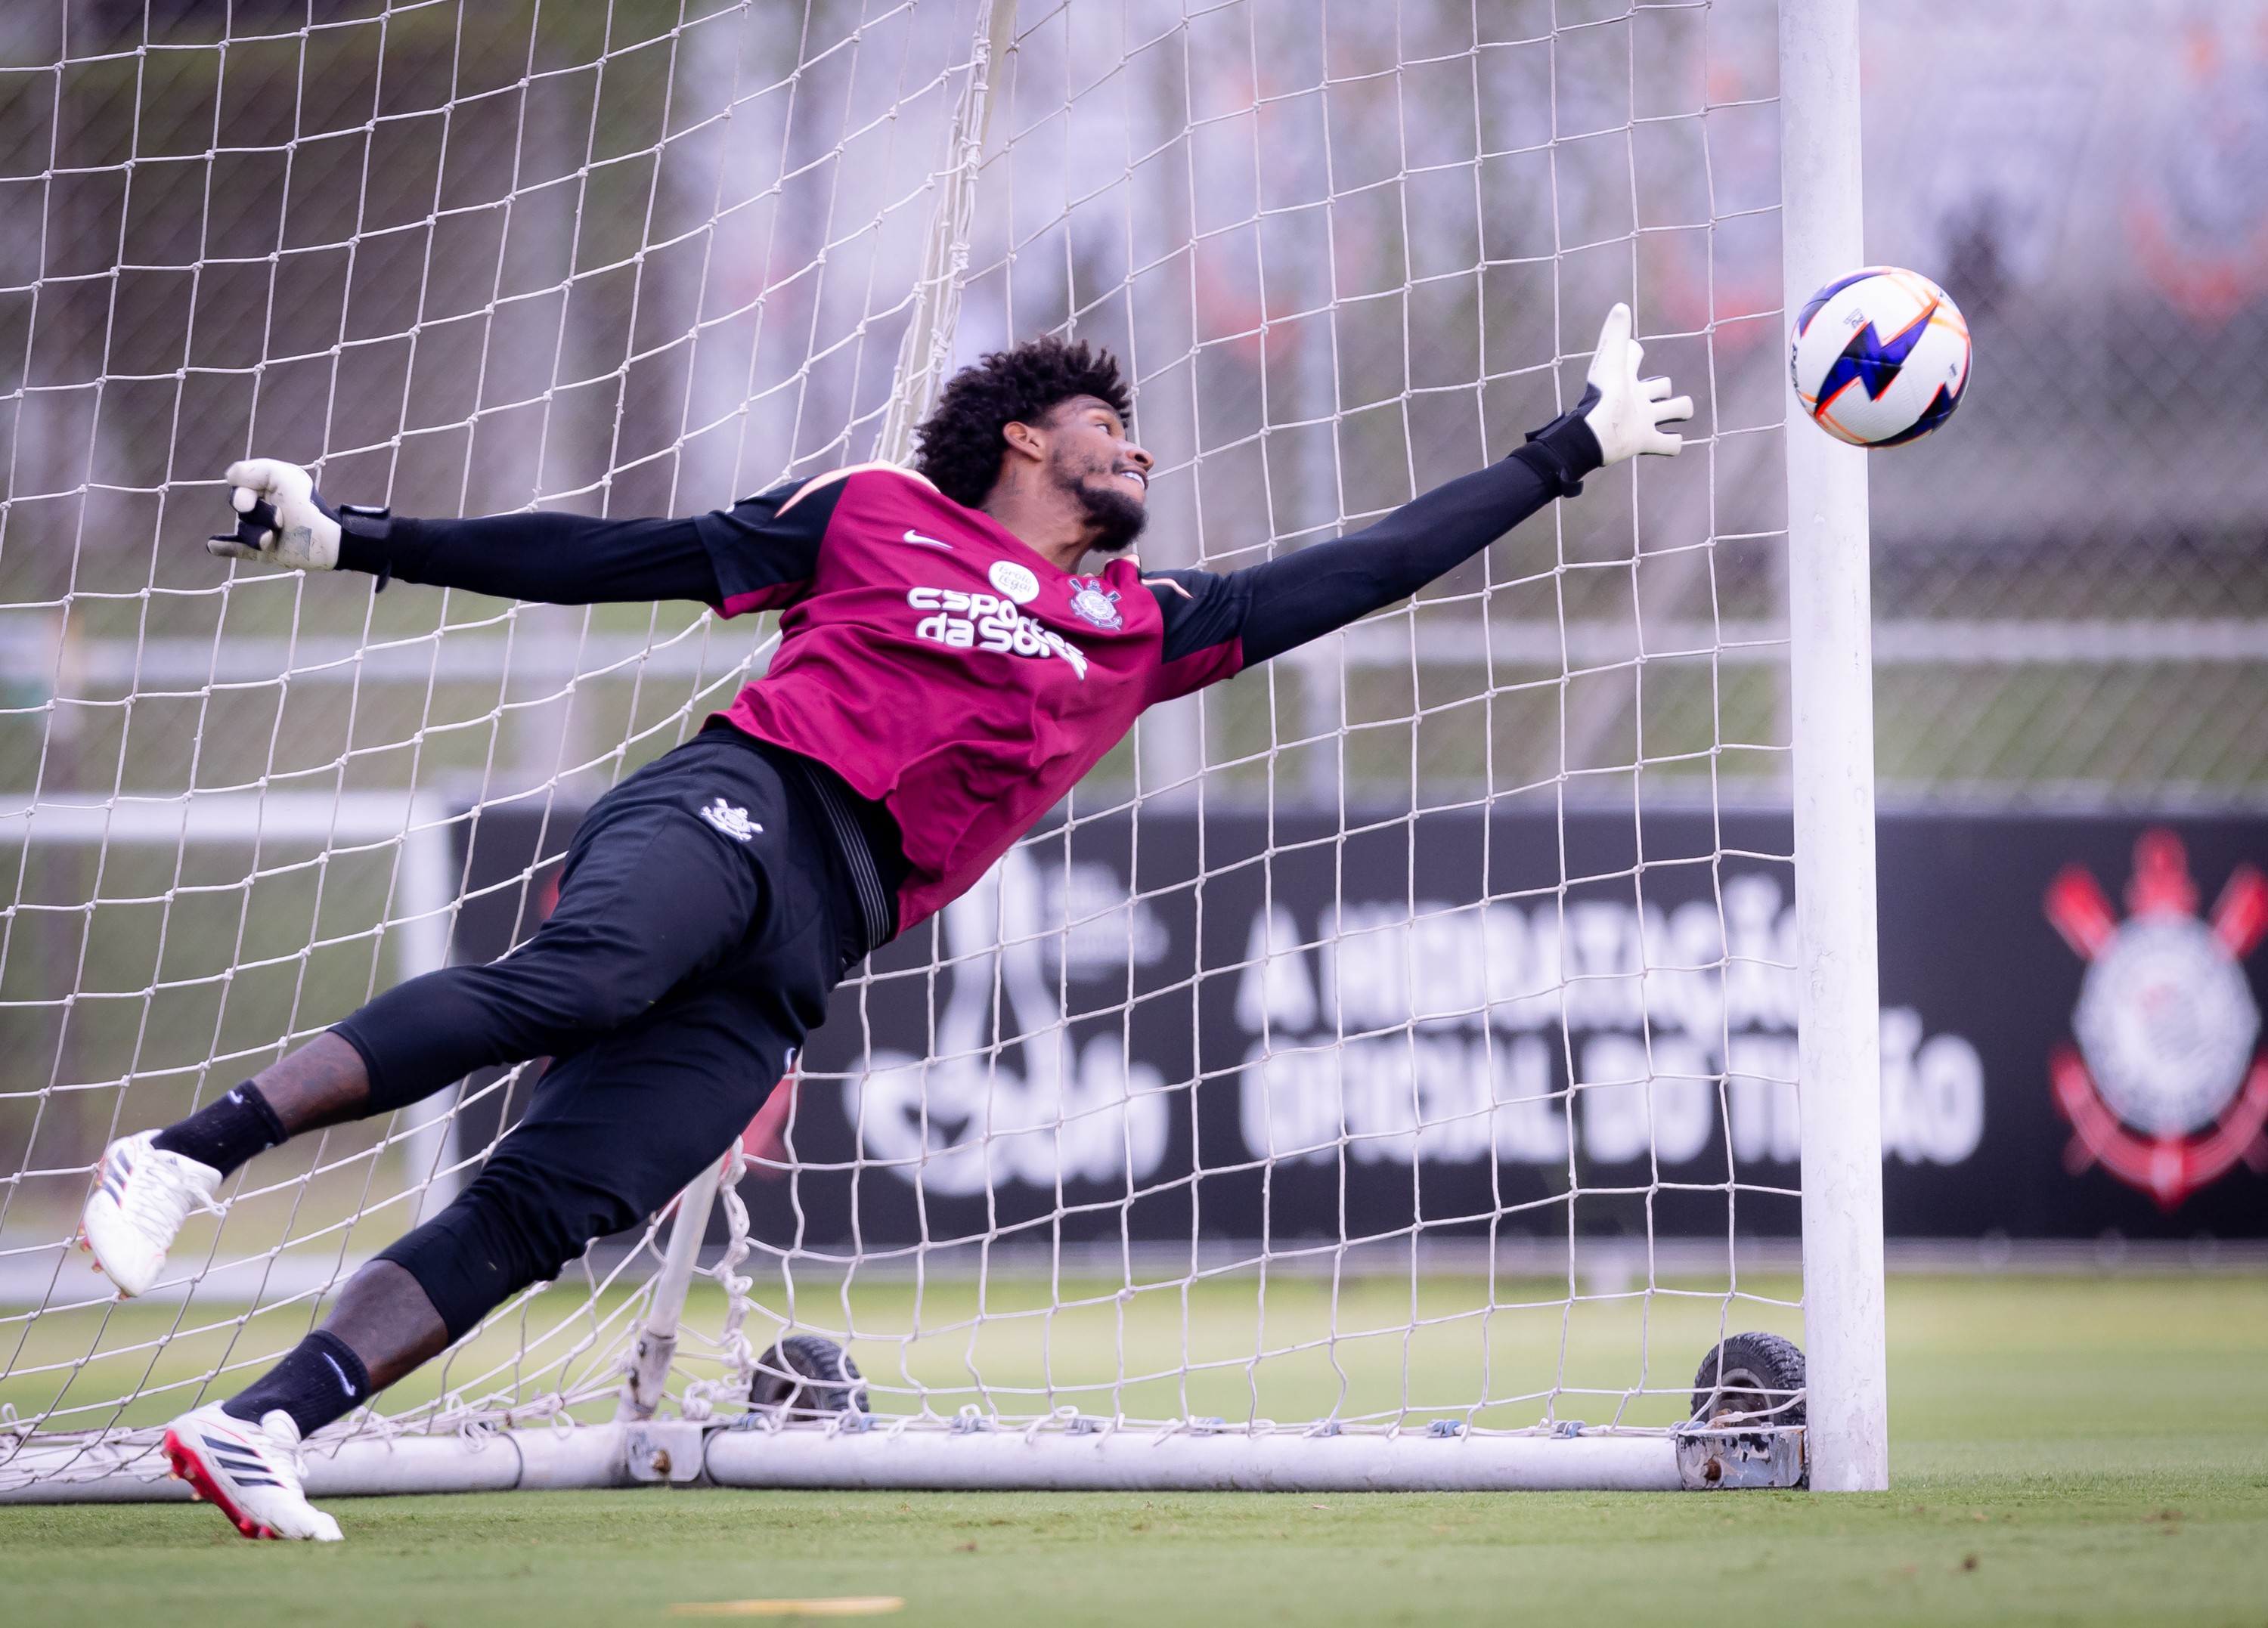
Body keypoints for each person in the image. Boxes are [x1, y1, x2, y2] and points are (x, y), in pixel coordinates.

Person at [79, 306, 1688, 1540]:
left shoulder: (1142, 626)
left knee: (558, 1204)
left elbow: (1370, 566)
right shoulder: (868, 514)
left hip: (821, 939)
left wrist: (1573, 449)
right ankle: (188, 1153)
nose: (1141, 450)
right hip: (741, 802)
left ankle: (264, 1422)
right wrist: (354, 536)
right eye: (1108, 424)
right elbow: (612, 560)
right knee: (582, 977)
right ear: (1020, 442)